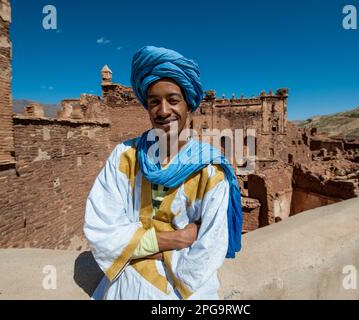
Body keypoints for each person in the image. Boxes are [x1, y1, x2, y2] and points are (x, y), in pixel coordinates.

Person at [84, 46, 242, 300]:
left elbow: (209, 249)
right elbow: (102, 231)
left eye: (173, 99)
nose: (163, 110)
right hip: (124, 288)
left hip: (187, 294)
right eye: (154, 102)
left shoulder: (211, 171)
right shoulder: (124, 157)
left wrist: (135, 246)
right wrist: (178, 239)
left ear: (189, 104)